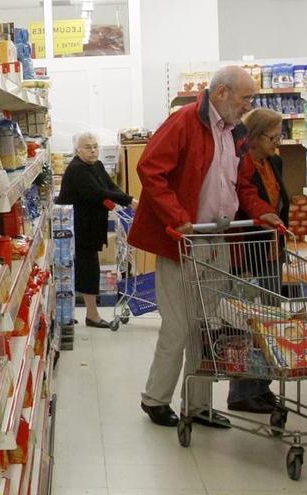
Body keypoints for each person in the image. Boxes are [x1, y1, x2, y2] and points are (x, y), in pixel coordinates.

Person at [128, 66, 282, 428]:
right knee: (179, 325)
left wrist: (263, 213)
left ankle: (197, 406)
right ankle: (155, 398)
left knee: (205, 326)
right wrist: (176, 215)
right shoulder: (184, 121)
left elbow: (241, 185)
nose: (249, 104)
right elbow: (150, 169)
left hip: (218, 238)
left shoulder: (235, 132)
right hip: (184, 239)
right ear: (223, 92)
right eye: (246, 97)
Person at [228, 108, 291, 414]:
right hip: (248, 252)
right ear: (252, 138)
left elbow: (280, 202)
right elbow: (245, 202)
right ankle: (242, 391)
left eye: (280, 136)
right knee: (249, 322)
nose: (277, 143)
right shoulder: (240, 165)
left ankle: (261, 385)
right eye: (273, 137)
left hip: (270, 251)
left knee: (270, 322)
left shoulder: (273, 162)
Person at [57, 132, 136, 328]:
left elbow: (111, 186)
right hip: (77, 228)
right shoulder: (77, 170)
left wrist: (129, 199)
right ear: (78, 150)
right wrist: (128, 201)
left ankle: (69, 314)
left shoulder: (97, 165)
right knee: (87, 269)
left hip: (91, 226)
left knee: (83, 268)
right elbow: (98, 192)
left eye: (95, 146)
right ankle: (91, 315)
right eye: (87, 147)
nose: (93, 150)